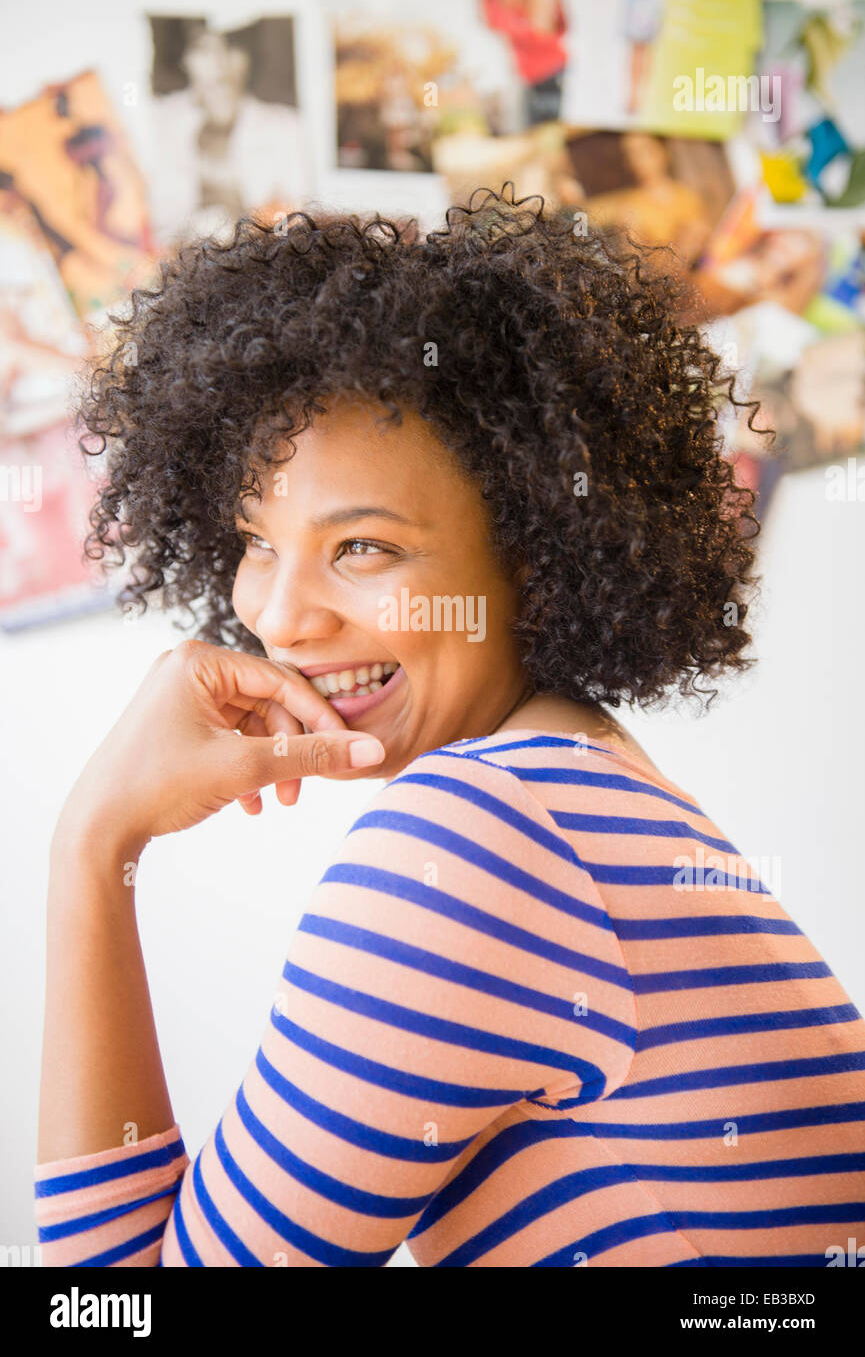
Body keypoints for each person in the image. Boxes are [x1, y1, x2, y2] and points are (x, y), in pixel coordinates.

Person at [34, 190, 865, 1266]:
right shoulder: (584, 791)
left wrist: (92, 846)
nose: (280, 615)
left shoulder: (474, 837)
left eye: (363, 548)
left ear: (531, 553)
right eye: (255, 539)